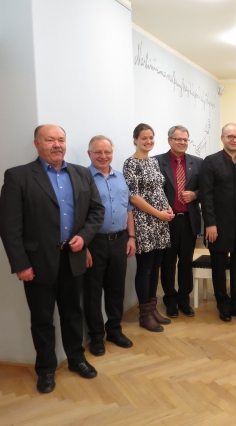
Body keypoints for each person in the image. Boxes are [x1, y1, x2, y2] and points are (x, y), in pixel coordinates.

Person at [0, 124, 105, 394]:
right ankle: (46, 369)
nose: (57, 144)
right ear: (37, 144)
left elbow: (96, 211)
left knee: (73, 313)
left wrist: (84, 237)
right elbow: (9, 226)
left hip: (73, 258)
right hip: (37, 263)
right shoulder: (18, 176)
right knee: (42, 319)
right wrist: (21, 264)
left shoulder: (81, 173)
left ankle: (76, 359)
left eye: (61, 139)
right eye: (50, 140)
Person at [83, 136, 136, 357]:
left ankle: (114, 330)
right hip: (94, 243)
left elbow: (128, 209)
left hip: (120, 241)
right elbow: (78, 216)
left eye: (107, 152)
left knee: (116, 290)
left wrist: (131, 237)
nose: (103, 156)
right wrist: (84, 246)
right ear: (89, 154)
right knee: (92, 293)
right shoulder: (83, 179)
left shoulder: (120, 178)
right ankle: (96, 337)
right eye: (98, 152)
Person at [201, 123, 236, 322]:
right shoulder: (210, 161)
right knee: (218, 267)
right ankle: (223, 306)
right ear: (222, 138)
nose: (234, 140)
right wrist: (210, 223)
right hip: (217, 223)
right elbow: (206, 195)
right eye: (230, 136)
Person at [123, 123, 173, 333]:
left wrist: (167, 208)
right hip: (144, 222)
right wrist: (158, 213)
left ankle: (152, 309)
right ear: (135, 140)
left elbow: (158, 190)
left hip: (160, 222)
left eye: (151, 137)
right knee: (145, 269)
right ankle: (144, 315)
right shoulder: (130, 163)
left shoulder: (153, 162)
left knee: (155, 267)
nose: (148, 141)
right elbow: (133, 197)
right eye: (144, 137)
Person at [156, 125, 202, 318]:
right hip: (167, 221)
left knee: (186, 262)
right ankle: (170, 299)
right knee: (168, 263)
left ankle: (184, 299)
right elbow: (152, 192)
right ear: (169, 140)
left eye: (185, 139)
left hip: (189, 220)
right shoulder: (157, 162)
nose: (182, 142)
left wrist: (195, 194)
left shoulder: (197, 163)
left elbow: (207, 189)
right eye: (178, 139)